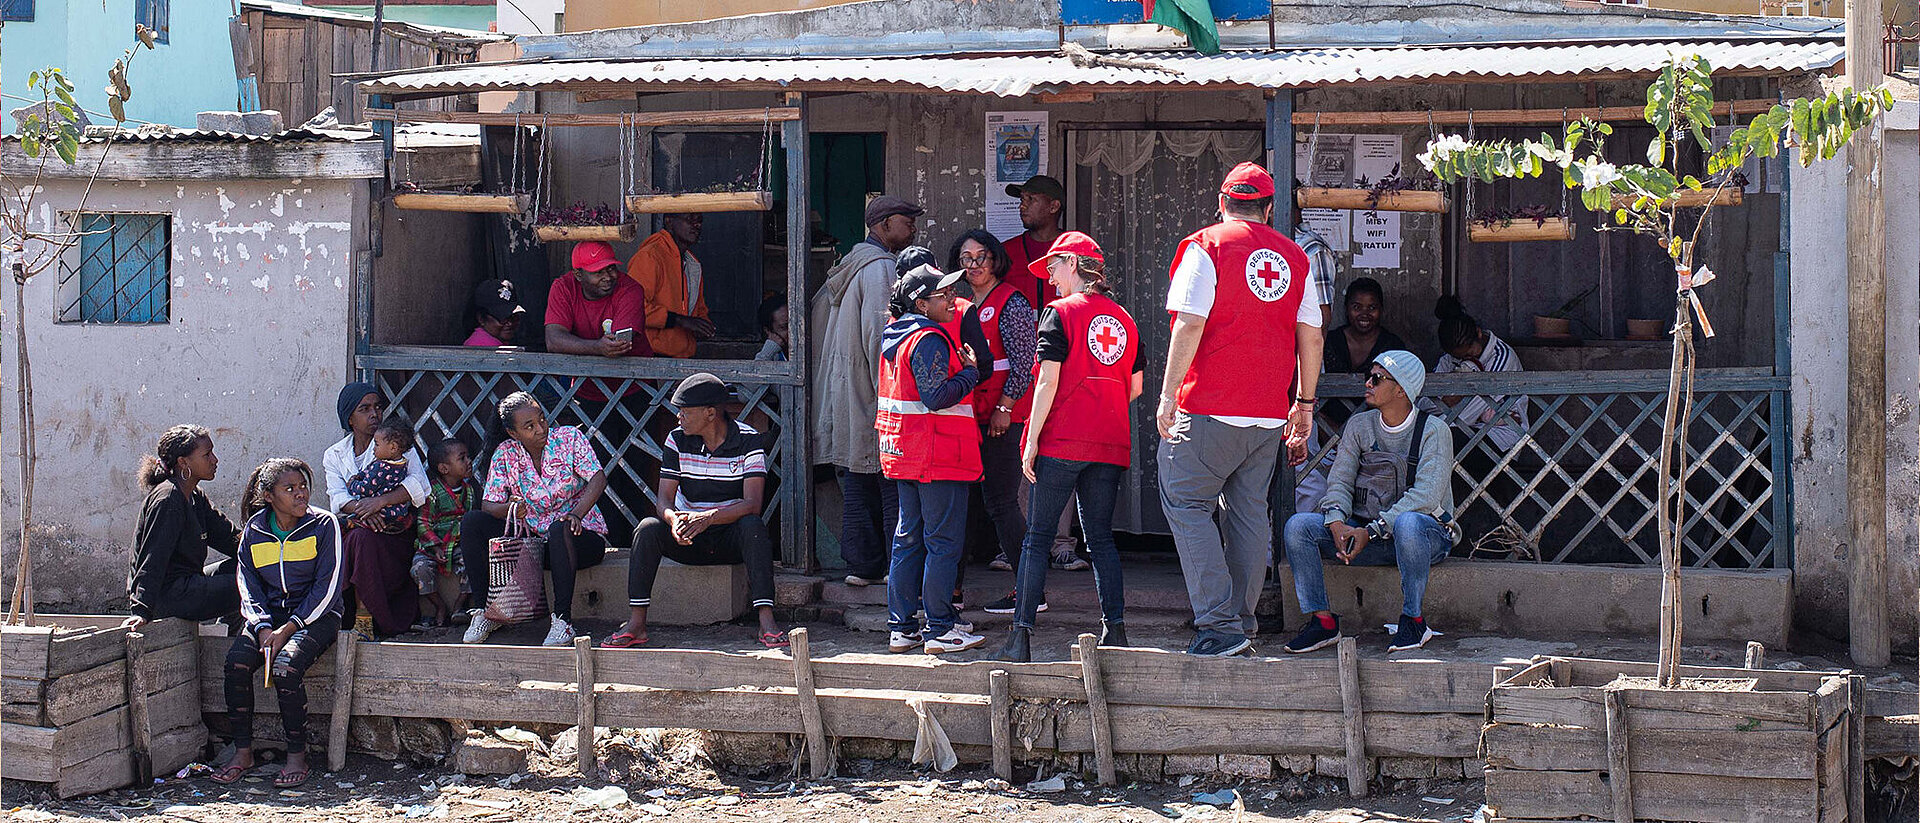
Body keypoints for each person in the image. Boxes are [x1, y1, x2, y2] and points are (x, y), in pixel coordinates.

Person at [1157, 161, 1324, 657]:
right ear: (1269, 209)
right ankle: (1243, 622)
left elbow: (1188, 324)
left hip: (1208, 405)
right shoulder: (1295, 257)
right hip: (1268, 415)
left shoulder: (1205, 245)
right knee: (1249, 514)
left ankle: (1218, 626)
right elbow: (1311, 335)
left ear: (1221, 202)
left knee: (1187, 504)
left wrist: (1167, 397)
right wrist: (1305, 404)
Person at [996, 232, 1142, 662]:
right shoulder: (1125, 319)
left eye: (1055, 267)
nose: (1051, 277)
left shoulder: (1058, 313)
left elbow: (1046, 380)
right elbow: (1134, 386)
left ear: (1074, 265)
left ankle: (1020, 639)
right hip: (1110, 442)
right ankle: (1115, 633)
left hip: (1062, 440)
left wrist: (1032, 438)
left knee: (1037, 538)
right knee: (1100, 539)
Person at [1282, 351, 1457, 654]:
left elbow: (1426, 497)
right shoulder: (1360, 426)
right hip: (1366, 535)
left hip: (1424, 538)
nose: (1368, 383)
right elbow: (1339, 481)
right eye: (1369, 376)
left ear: (1401, 389)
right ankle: (1322, 622)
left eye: (1377, 378)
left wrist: (1371, 531)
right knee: (1298, 527)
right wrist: (1336, 522)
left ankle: (1413, 620)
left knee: (1410, 521)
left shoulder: (1434, 431)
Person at [605, 374, 786, 649]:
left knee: (753, 527)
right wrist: (674, 519)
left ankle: (766, 621)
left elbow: (752, 504)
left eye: (686, 412)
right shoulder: (676, 440)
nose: (679, 418)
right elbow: (664, 500)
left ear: (710, 413)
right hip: (688, 536)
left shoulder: (748, 440)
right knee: (647, 529)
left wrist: (709, 517)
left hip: (727, 535)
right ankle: (636, 623)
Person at [811, 195, 922, 588]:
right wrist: (891, 396)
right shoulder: (879, 270)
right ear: (885, 224)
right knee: (889, 483)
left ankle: (861, 565)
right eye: (907, 222)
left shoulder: (848, 266)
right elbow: (883, 340)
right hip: (871, 394)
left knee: (857, 481)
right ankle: (897, 567)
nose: (912, 229)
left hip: (844, 394)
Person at [212, 458, 343, 789]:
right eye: (290, 489)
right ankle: (243, 751)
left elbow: (328, 589)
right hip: (269, 620)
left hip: (316, 616)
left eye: (303, 487)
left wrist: (290, 628)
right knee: (237, 663)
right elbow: (248, 586)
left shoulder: (324, 525)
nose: (300, 495)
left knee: (285, 667)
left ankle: (297, 755)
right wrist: (263, 626)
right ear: (269, 496)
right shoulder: (254, 532)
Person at [879, 264, 984, 654]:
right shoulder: (928, 339)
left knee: (908, 540)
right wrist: (971, 373)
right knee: (941, 542)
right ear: (921, 304)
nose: (951, 300)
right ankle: (940, 628)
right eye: (942, 295)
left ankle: (902, 627)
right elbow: (937, 396)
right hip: (936, 455)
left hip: (906, 453)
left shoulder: (896, 335)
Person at [460, 392, 612, 647]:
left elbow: (598, 478)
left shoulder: (569, 438)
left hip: (578, 538)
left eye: (541, 419)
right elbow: (489, 504)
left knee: (558, 528)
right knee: (473, 522)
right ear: (513, 433)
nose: (540, 428)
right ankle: (484, 613)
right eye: (529, 426)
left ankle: (563, 622)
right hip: (532, 546)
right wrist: (510, 508)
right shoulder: (505, 453)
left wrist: (576, 514)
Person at [947, 230, 1043, 615]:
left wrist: (1005, 405)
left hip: (1003, 416)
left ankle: (1030, 591)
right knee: (964, 503)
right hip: (967, 416)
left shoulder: (1013, 302)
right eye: (965, 258)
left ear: (996, 260)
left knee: (1001, 502)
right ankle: (950, 592)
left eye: (981, 256)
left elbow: (1025, 363)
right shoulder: (958, 302)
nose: (974, 265)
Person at [323, 383, 429, 637]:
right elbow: (337, 498)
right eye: (365, 409)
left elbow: (420, 486)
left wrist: (380, 503)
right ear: (349, 417)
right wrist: (365, 511)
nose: (374, 414)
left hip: (394, 531)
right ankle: (352, 614)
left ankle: (366, 618)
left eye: (378, 407)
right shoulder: (335, 455)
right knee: (356, 538)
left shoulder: (396, 445)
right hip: (360, 526)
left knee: (362, 540)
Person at [125, 425, 240, 629]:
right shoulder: (168, 499)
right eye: (207, 455)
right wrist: (141, 610)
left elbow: (229, 538)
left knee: (253, 570)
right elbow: (153, 557)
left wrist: (267, 552)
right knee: (250, 585)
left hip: (189, 583)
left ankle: (224, 632)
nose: (215, 460)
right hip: (168, 596)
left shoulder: (195, 496)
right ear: (183, 462)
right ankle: (231, 637)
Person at [546, 240, 653, 402]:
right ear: (578, 275)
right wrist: (598, 347)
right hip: (586, 386)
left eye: (611, 269)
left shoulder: (630, 289)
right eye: (598, 272)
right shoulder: (563, 287)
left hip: (634, 384)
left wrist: (601, 347)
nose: (608, 277)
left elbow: (618, 345)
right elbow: (554, 340)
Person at [1428, 295, 1527, 453]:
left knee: (1438, 441)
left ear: (1478, 333)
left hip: (1499, 436)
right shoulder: (1449, 359)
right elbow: (1425, 403)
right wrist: (1447, 402)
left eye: (1469, 353)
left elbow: (1468, 414)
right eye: (1460, 357)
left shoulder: (1501, 358)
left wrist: (1429, 429)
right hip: (1457, 427)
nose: (1467, 360)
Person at [627, 213, 716, 359]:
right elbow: (634, 309)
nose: (696, 225)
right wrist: (680, 321)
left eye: (699, 221)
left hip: (683, 356)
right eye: (689, 219)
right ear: (669, 222)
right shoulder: (650, 256)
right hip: (650, 356)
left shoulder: (692, 264)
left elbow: (699, 310)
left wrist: (703, 326)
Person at [412, 437, 475, 629]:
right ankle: (438, 606)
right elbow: (423, 522)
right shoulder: (432, 491)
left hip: (457, 544)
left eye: (468, 457)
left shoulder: (469, 491)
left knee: (473, 563)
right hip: (433, 546)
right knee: (419, 568)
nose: (469, 462)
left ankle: (460, 605)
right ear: (444, 468)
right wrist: (435, 545)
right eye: (462, 458)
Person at [999, 175, 1067, 308]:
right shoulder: (1006, 251)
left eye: (1030, 199)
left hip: (1064, 328)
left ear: (1054, 206)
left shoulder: (1073, 251)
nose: (1022, 206)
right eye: (1022, 199)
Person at [342, 418, 417, 535]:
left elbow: (366, 488)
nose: (373, 448)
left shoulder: (381, 466)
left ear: (393, 447)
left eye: (376, 444)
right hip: (397, 513)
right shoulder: (402, 464)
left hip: (381, 513)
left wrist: (352, 484)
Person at [1325, 278, 1408, 374]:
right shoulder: (1330, 342)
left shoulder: (1393, 347)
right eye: (1357, 307)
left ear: (1381, 310)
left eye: (1372, 308)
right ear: (1346, 308)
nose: (1364, 314)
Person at [465, 279, 524, 347]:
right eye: (503, 318)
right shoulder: (482, 346)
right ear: (481, 319)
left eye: (514, 317)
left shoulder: (498, 342)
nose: (510, 323)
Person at [754, 293, 789, 361]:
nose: (792, 332)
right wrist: (768, 351)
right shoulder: (774, 354)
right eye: (784, 327)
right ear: (768, 331)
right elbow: (756, 370)